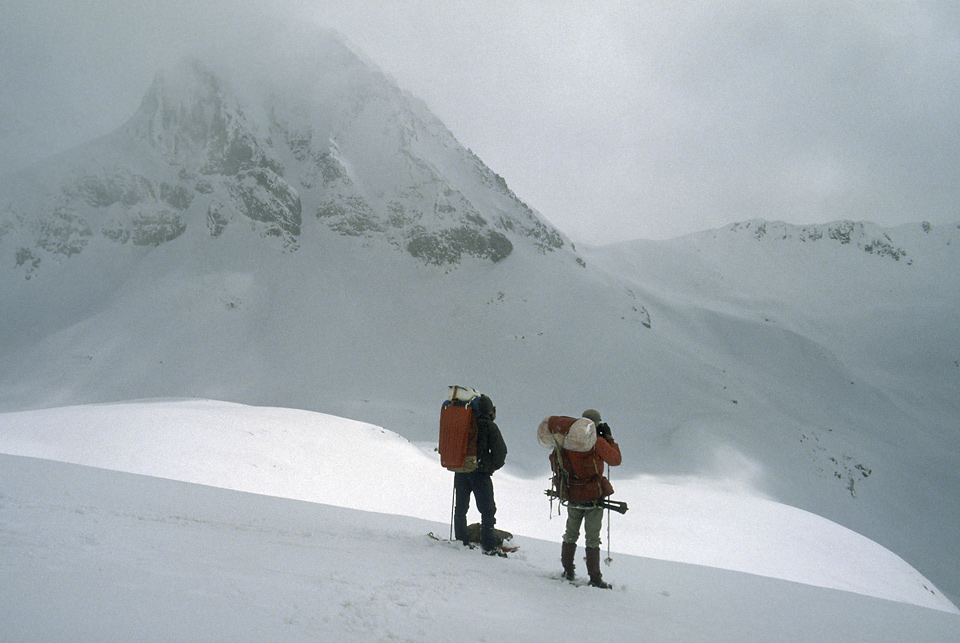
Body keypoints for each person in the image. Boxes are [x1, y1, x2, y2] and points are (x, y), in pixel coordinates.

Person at [551, 408, 622, 588]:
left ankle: (568, 571)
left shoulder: (567, 439)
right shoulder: (596, 441)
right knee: (592, 538)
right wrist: (609, 439)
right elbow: (615, 459)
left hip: (572, 493)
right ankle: (595, 578)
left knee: (570, 534)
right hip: (593, 496)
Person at [454, 394, 508, 555]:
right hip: (480, 473)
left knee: (461, 507)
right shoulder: (489, 426)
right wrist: (489, 467)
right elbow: (501, 452)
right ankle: (488, 545)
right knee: (487, 510)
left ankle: (460, 540)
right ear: (490, 411)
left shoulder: (462, 422)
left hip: (461, 471)